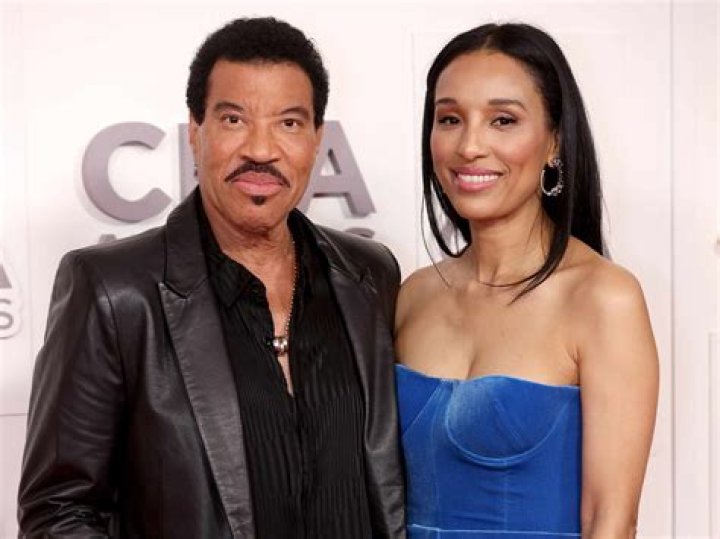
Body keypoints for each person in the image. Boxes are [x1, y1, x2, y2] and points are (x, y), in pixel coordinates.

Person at [18, 17, 405, 538]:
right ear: (195, 132)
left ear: (317, 139)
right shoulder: (113, 292)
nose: (261, 150)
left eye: (289, 123)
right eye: (234, 119)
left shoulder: (369, 275)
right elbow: (58, 513)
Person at [394, 23, 658, 538]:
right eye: (450, 119)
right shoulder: (414, 294)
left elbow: (611, 520)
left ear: (555, 140)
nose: (470, 145)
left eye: (503, 120)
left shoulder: (602, 298)